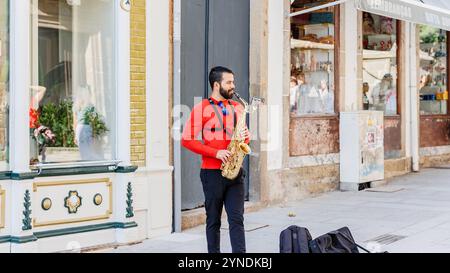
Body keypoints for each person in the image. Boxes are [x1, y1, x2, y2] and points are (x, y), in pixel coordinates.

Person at [181, 66, 251, 253]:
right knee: (213, 220)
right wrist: (215, 153)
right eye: (229, 82)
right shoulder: (201, 108)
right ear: (216, 84)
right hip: (212, 173)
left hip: (235, 173)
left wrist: (245, 135)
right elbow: (186, 140)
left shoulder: (237, 107)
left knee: (237, 219)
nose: (233, 86)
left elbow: (244, 140)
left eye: (233, 82)